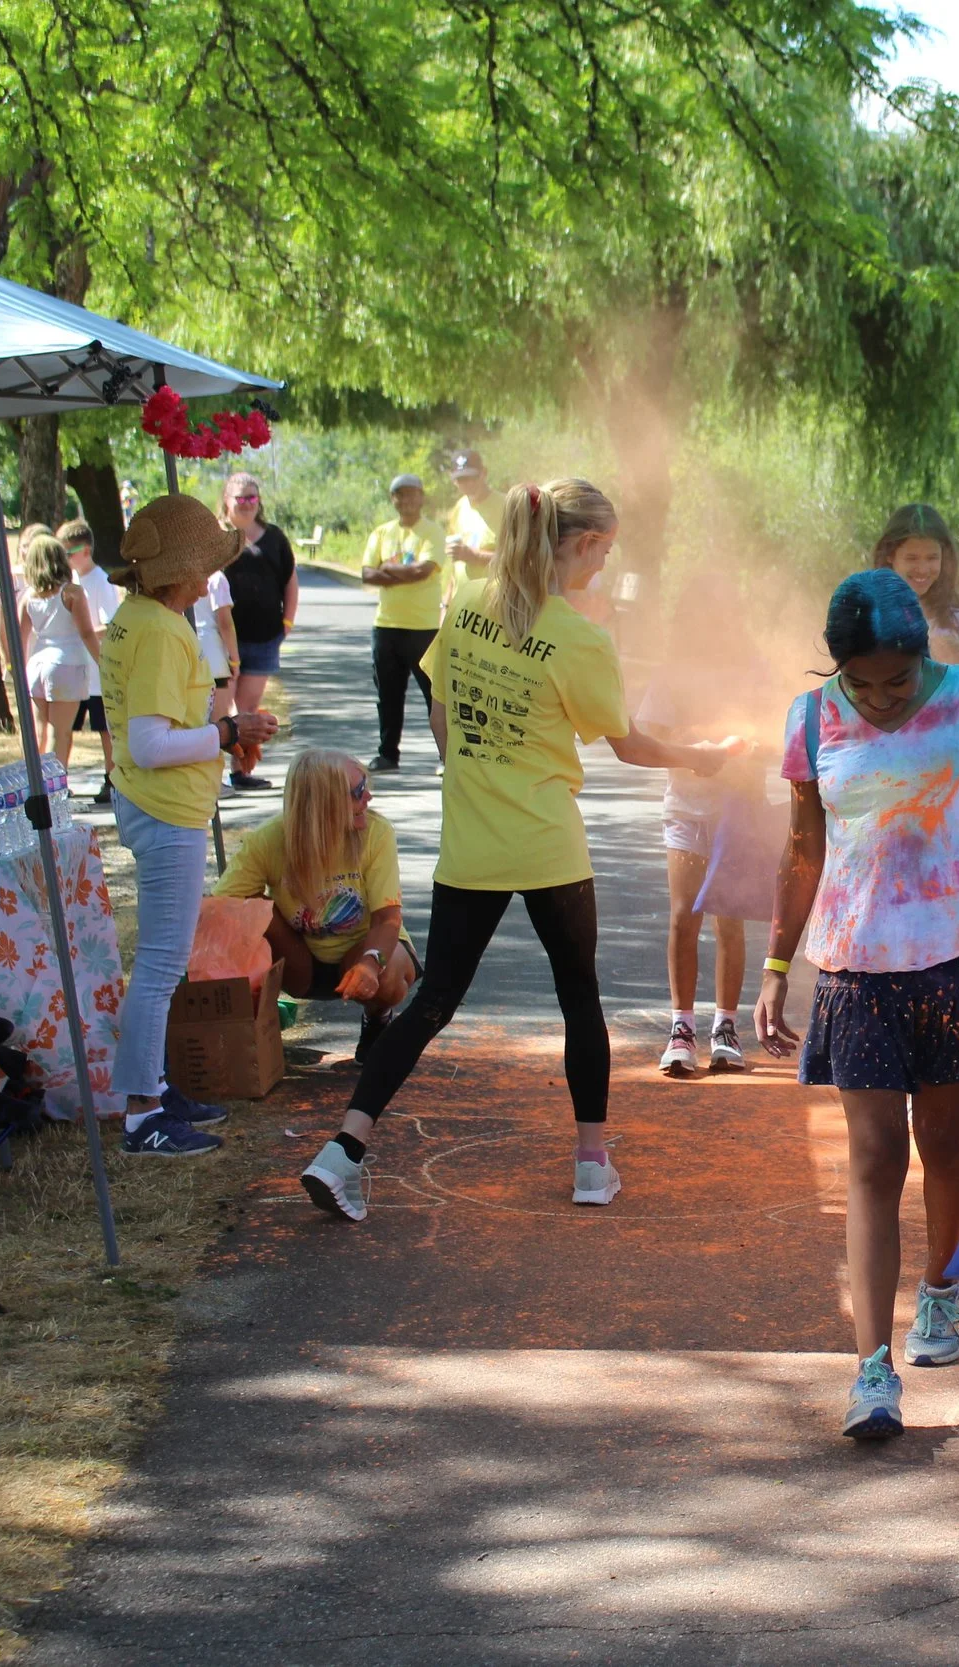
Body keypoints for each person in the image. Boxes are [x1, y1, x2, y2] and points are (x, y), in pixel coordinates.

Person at [297, 479, 741, 1224]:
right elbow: (627, 742)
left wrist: (461, 771)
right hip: (547, 845)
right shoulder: (577, 634)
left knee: (433, 1000)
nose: (604, 565)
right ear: (583, 543)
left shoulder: (469, 598)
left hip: (471, 839)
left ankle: (340, 1150)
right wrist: (700, 757)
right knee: (579, 998)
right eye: (604, 550)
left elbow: (437, 697)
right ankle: (592, 1166)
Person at [756, 570, 959, 1442]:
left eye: (896, 681)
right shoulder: (809, 721)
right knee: (872, 1160)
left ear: (923, 656)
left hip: (952, 967)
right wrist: (775, 961)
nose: (878, 698)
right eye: (860, 683)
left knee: (943, 1142)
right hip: (855, 971)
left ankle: (941, 1290)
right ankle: (872, 1373)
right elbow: (803, 850)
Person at [101, 493, 281, 1155]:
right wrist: (228, 730)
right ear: (178, 572)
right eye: (204, 563)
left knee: (163, 961)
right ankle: (143, 1113)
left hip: (157, 803)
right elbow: (150, 744)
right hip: (164, 807)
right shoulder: (157, 628)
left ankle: (151, 1084)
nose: (212, 574)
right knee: (158, 965)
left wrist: (223, 734)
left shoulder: (145, 616)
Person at [217, 749, 420, 1059]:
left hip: (362, 950)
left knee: (388, 973)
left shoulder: (377, 833)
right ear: (323, 804)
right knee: (251, 909)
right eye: (357, 792)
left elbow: (387, 920)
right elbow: (221, 906)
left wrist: (369, 963)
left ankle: (377, 1018)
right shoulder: (268, 840)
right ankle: (256, 1029)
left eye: (366, 785)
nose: (368, 798)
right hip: (301, 962)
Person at [636, 586, 756, 1078]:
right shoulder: (670, 677)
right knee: (684, 915)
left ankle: (725, 1026)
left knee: (729, 917)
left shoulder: (749, 673)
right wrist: (694, 746)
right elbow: (648, 737)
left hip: (736, 812)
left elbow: (768, 732)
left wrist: (737, 745)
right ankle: (681, 1028)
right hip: (685, 809)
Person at [359, 473, 445, 771]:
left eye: (411, 494)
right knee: (388, 695)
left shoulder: (432, 532)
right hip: (387, 626)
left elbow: (425, 570)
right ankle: (387, 754)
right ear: (392, 499)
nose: (406, 500)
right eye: (400, 495)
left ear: (422, 497)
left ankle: (445, 755)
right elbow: (367, 574)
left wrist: (388, 568)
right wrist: (399, 571)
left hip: (424, 628)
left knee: (435, 696)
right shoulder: (382, 533)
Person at [219, 471, 296, 791]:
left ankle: (241, 771)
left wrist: (286, 623)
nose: (247, 503)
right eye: (240, 498)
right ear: (226, 500)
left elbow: (290, 581)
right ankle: (211, 773)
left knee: (248, 709)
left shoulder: (274, 537)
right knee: (219, 711)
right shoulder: (215, 536)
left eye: (252, 497)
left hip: (263, 637)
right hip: (222, 639)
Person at [19, 527, 103, 774]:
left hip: (36, 664)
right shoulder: (72, 593)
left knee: (38, 731)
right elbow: (86, 633)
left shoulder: (28, 597)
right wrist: (104, 663)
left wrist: (17, 671)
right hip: (67, 663)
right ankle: (56, 786)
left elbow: (20, 637)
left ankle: (34, 782)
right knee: (60, 732)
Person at [869, 502, 959, 675]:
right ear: (890, 555)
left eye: (931, 558)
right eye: (912, 558)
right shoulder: (867, 619)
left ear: (944, 557)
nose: (922, 569)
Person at [57, 520, 122, 804]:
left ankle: (112, 778)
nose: (66, 560)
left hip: (95, 669)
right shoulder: (68, 584)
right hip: (75, 667)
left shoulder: (102, 580)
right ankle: (58, 781)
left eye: (69, 553)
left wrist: (82, 632)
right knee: (65, 727)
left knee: (104, 728)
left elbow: (111, 623)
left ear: (86, 550)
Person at [442, 450, 502, 593]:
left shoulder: (507, 506)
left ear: (484, 473)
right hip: (461, 602)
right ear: (454, 480)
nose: (467, 483)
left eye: (472, 477)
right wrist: (445, 605)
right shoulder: (459, 507)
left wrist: (474, 556)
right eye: (461, 479)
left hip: (494, 604)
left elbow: (521, 561)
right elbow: (455, 565)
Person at [191, 566, 238, 724]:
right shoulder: (217, 578)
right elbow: (225, 623)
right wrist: (235, 659)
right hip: (213, 654)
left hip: (188, 646)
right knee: (220, 721)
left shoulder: (183, 576)